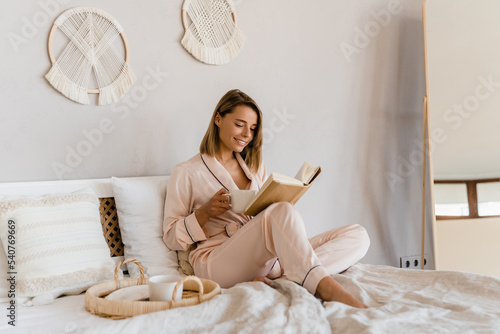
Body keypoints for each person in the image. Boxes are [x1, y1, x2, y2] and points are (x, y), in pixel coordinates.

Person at [163, 89, 370, 308]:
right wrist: (205, 213)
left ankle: (280, 282)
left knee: (358, 236)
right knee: (281, 212)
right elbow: (170, 236)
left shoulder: (253, 167)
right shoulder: (187, 171)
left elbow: (265, 216)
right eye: (239, 124)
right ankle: (326, 287)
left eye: (252, 128)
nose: (246, 134)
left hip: (265, 258)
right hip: (216, 261)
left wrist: (283, 203)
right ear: (218, 119)